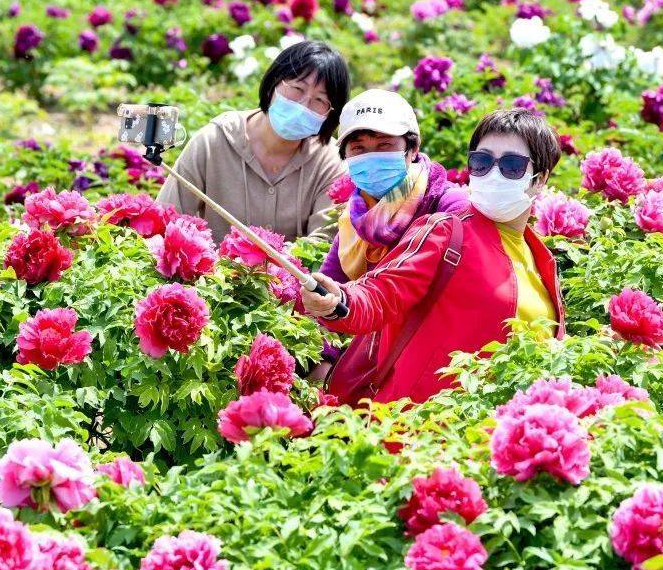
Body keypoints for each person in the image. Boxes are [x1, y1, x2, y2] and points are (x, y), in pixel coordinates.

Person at [301, 108, 565, 405]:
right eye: (481, 162)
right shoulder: (447, 231)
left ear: (539, 179)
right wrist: (339, 302)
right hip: (425, 433)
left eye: (512, 166)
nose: (493, 174)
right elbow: (382, 292)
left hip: (500, 439)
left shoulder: (542, 259)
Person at [156, 40, 350, 241]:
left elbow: (322, 246)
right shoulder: (213, 142)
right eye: (297, 88)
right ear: (274, 82)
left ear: (331, 114)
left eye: (320, 100)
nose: (303, 104)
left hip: (293, 273)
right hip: (210, 273)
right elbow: (167, 219)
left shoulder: (329, 164)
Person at [319, 89, 468, 283]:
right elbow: (328, 287)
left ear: (413, 149)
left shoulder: (447, 205)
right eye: (358, 148)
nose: (371, 157)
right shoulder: (356, 218)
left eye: (384, 144)